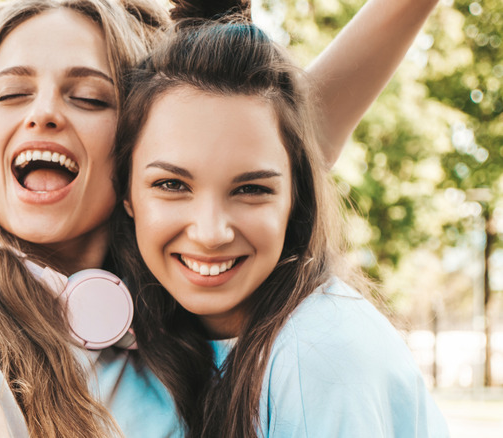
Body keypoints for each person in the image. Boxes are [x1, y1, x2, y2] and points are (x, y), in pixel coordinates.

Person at [0, 0, 441, 437]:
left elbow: (258, 135)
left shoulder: (175, 285)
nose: (46, 113)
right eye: (12, 94)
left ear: (134, 153)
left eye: (88, 97)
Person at [112, 4, 449, 437]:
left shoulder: (317, 356)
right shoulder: (166, 338)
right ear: (126, 194)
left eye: (251, 189)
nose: (211, 232)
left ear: (296, 200)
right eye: (173, 185)